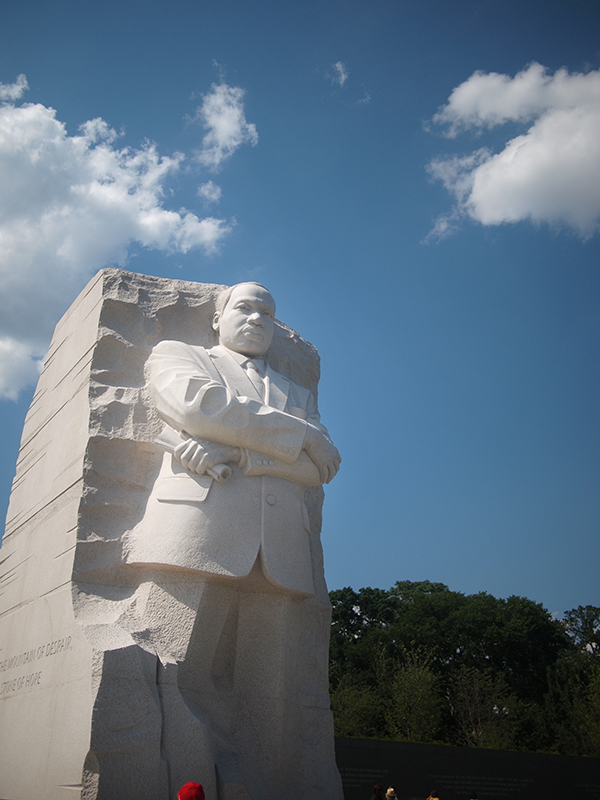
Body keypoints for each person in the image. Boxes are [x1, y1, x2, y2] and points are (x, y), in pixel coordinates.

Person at [123, 282, 342, 800]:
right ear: (216, 320)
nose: (257, 319)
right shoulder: (179, 356)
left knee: (272, 700)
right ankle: (185, 784)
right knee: (175, 674)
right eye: (244, 308)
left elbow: (323, 466)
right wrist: (299, 436)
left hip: (282, 553)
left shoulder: (299, 394)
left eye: (267, 312)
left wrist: (249, 458)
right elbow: (200, 406)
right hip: (198, 534)